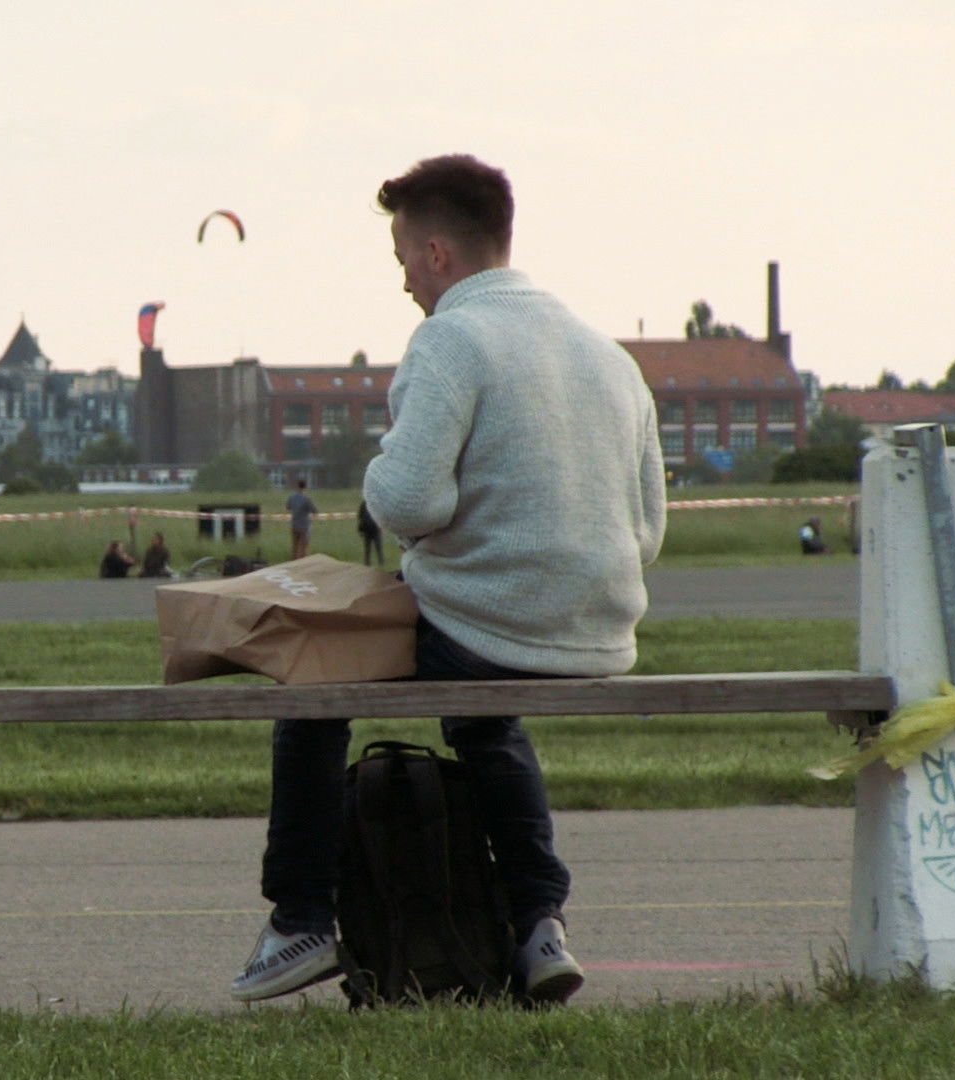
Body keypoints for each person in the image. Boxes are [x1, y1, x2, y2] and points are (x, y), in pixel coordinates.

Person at [231, 154, 665, 1006]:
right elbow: (647, 531)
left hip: (487, 625)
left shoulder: (451, 337)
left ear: (436, 254)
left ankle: (301, 918)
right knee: (486, 724)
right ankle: (541, 922)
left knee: (309, 682)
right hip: (597, 635)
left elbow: (406, 502)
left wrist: (388, 479)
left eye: (401, 263)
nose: (404, 286)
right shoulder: (605, 353)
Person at [286, 479, 317, 560]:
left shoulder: (291, 498)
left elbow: (288, 507)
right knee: (303, 548)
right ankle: (302, 565)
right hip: (304, 526)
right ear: (305, 487)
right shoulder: (307, 499)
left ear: (297, 486)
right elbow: (314, 510)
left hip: (294, 525)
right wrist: (312, 518)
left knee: (294, 547)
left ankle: (293, 563)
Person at [356, 500, 385, 567]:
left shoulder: (363, 504)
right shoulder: (376, 503)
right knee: (378, 546)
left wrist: (360, 530)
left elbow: (360, 517)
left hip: (367, 529)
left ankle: (367, 562)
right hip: (375, 528)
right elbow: (380, 516)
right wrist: (381, 527)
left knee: (367, 547)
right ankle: (381, 561)